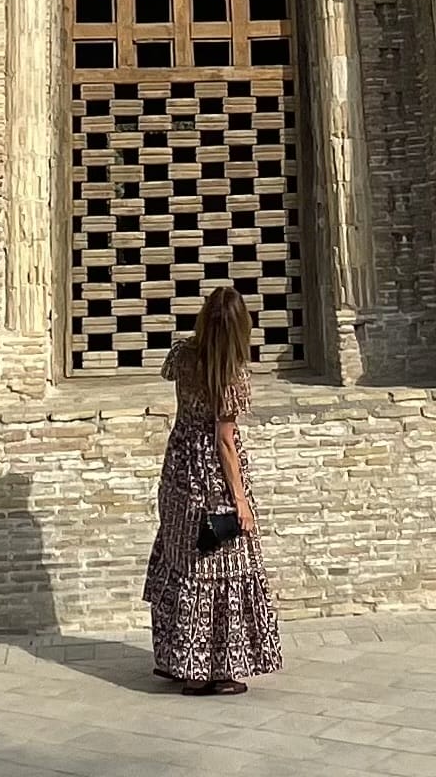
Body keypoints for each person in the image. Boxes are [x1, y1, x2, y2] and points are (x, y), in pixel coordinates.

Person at [143, 282, 282, 693]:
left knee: (181, 556)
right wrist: (241, 501)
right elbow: (224, 439)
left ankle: (180, 661)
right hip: (213, 479)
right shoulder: (232, 374)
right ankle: (215, 671)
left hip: (179, 470)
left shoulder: (183, 356)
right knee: (222, 562)